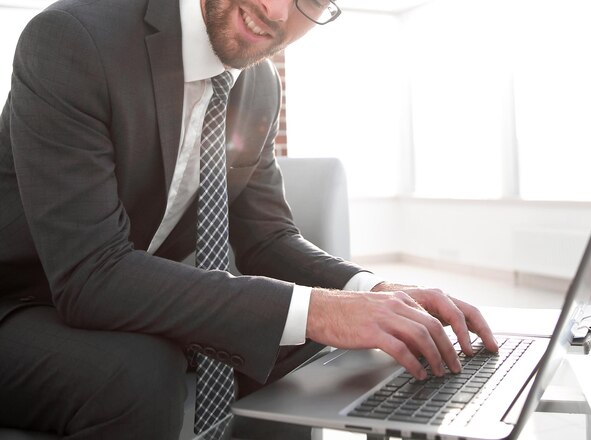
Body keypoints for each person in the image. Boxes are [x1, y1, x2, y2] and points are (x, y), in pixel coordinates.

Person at [0, 0, 498, 438]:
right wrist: (320, 310)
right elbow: (91, 274)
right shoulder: (74, 39)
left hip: (117, 294)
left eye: (311, 0)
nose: (277, 11)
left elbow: (268, 238)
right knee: (139, 373)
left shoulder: (259, 86)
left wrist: (371, 292)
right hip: (21, 299)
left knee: (296, 342)